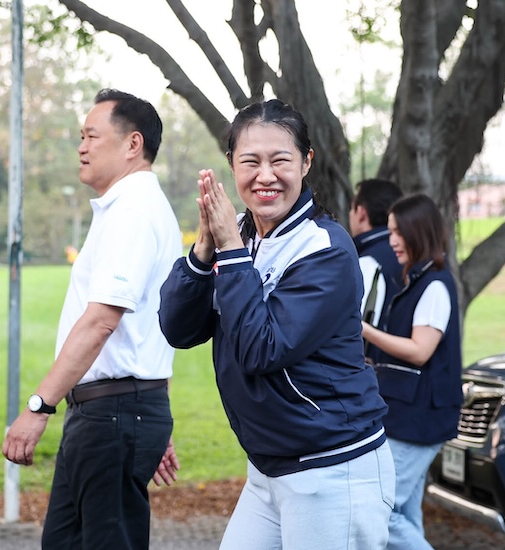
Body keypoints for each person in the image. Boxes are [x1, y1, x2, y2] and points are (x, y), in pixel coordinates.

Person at [158, 99, 394, 549]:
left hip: (333, 470)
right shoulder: (240, 234)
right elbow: (178, 328)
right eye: (250, 161)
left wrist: (229, 251)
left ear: (305, 162)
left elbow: (261, 349)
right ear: (231, 165)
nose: (265, 175)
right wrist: (205, 250)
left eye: (280, 160)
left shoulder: (325, 249)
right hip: (268, 469)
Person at [2, 88, 183, 549]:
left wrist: (38, 407)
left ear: (132, 144)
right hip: (115, 412)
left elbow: (102, 321)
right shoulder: (124, 209)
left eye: (91, 135)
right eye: (80, 137)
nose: (81, 147)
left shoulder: (134, 212)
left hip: (114, 415)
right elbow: (146, 328)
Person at [360, 193, 463, 550]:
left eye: (396, 232)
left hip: (420, 419)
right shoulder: (415, 281)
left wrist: (364, 330)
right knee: (404, 510)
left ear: (417, 232)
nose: (391, 241)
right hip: (407, 414)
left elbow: (420, 351)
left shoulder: (434, 284)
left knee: (379, 509)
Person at [349, 178, 404, 335]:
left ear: (361, 213)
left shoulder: (369, 262)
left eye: (351, 209)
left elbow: (355, 326)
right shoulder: (412, 253)